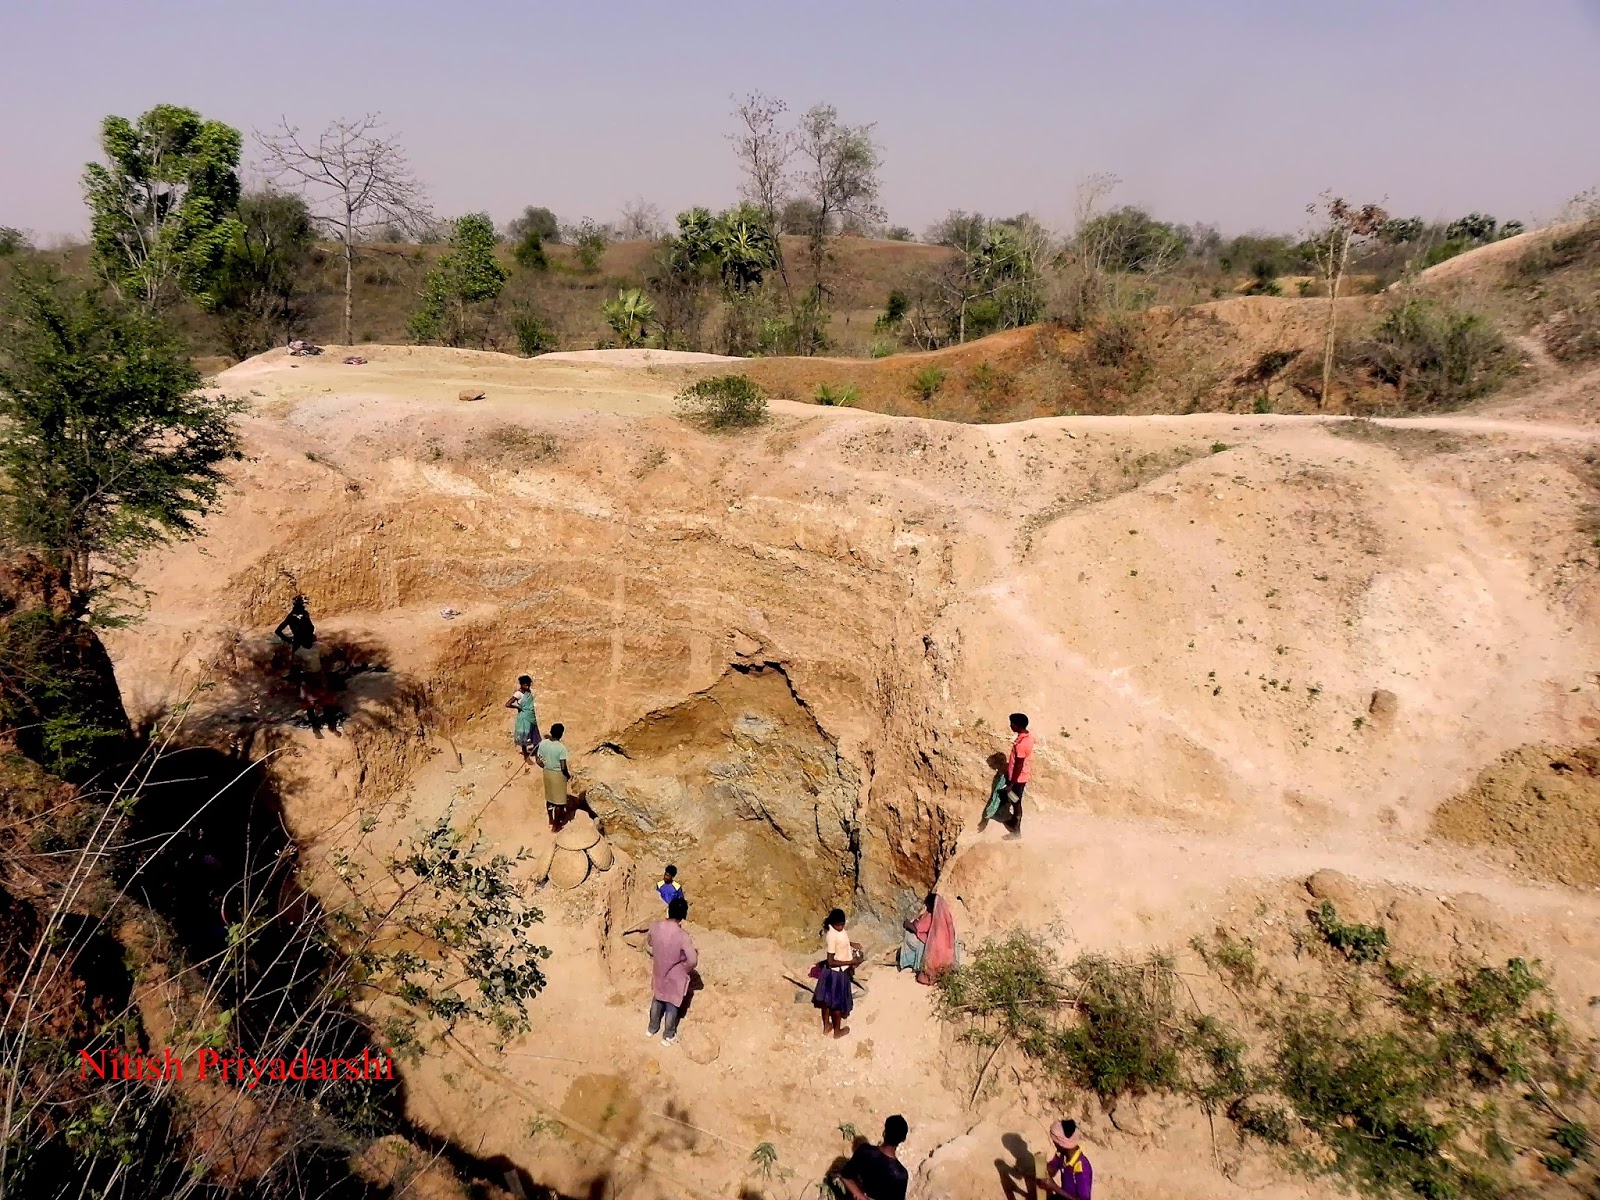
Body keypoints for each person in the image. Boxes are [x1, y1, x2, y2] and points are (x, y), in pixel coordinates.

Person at [646, 895, 697, 1046]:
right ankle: (668, 1035)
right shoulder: (682, 936)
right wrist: (684, 968)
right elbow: (693, 960)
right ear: (683, 916)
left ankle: (651, 1028)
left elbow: (649, 942)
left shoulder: (655, 926)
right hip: (675, 975)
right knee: (672, 1005)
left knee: (658, 998)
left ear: (668, 911)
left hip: (659, 969)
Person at [832, 1115, 910, 1200]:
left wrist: (861, 1196)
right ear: (903, 1139)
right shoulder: (900, 1174)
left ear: (884, 1132)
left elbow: (845, 1176)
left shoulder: (865, 1151)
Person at [813, 908, 861, 1040]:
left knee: (827, 1001)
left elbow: (841, 941)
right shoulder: (831, 935)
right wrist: (850, 961)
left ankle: (827, 1026)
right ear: (833, 923)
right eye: (838, 925)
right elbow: (830, 961)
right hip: (836, 973)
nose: (841, 927)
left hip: (835, 972)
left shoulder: (838, 931)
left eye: (842, 924)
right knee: (836, 1003)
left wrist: (851, 944)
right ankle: (837, 1031)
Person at [898, 893, 957, 985]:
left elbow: (920, 928)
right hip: (946, 950)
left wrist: (909, 924)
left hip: (933, 949)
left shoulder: (931, 916)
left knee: (910, 937)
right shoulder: (946, 918)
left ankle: (911, 963)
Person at [274, 596, 320, 682]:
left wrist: (289, 640)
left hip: (298, 642)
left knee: (297, 664)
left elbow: (278, 631)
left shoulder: (291, 616)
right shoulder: (304, 614)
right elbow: (311, 628)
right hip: (306, 641)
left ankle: (295, 677)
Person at [1043, 1120, 1092, 1199]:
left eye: (1055, 1142)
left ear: (1061, 1144)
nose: (1054, 1145)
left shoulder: (1081, 1166)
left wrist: (1054, 1187)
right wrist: (1043, 1167)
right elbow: (1052, 1169)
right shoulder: (1062, 1154)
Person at [534, 723, 570, 829]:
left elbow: (538, 759)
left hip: (547, 772)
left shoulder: (543, 743)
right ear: (561, 734)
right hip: (558, 774)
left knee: (549, 798)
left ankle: (550, 819)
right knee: (559, 801)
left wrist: (544, 766)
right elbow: (563, 766)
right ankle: (556, 824)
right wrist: (567, 776)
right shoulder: (561, 748)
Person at [1002, 712, 1033, 837]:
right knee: (1015, 800)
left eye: (1012, 724)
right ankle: (1014, 821)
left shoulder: (1021, 745)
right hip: (1022, 775)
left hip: (1018, 778)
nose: (1010, 726)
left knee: (1016, 801)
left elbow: (1018, 765)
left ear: (1017, 726)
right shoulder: (1028, 736)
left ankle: (1016, 831)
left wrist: (1011, 783)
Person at [505, 675, 540, 761]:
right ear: (521, 685)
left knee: (534, 735)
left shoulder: (528, 692)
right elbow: (508, 704)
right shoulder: (518, 694)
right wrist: (519, 707)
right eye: (525, 684)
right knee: (525, 735)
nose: (527, 686)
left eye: (528, 684)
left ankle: (536, 755)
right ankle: (525, 756)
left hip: (531, 716)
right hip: (524, 718)